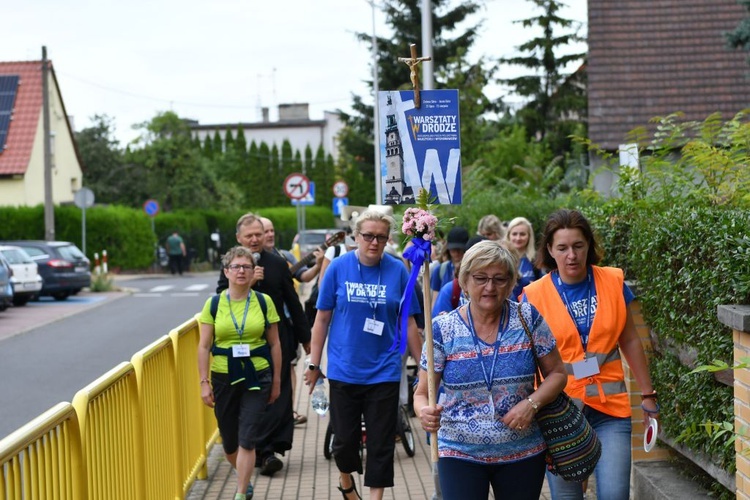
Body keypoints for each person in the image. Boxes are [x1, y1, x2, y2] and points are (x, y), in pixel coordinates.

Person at [522, 208, 659, 500]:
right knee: (568, 497)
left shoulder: (613, 282)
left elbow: (631, 341)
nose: (571, 255)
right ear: (550, 250)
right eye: (562, 248)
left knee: (614, 494)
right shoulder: (533, 296)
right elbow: (526, 358)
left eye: (578, 246)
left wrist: (648, 396)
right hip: (560, 413)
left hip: (611, 411)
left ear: (588, 246)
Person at [414, 240, 568, 500]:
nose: (489, 287)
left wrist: (531, 403)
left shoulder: (528, 318)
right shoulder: (442, 328)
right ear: (465, 280)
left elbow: (558, 374)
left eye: (499, 279)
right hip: (459, 451)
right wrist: (423, 412)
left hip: (522, 451)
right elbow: (421, 393)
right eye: (481, 278)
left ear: (510, 283)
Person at [304, 209, 423, 500]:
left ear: (387, 240)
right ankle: (346, 482)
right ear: (356, 236)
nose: (374, 242)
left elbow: (408, 321)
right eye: (368, 235)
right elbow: (321, 319)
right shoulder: (338, 268)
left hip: (384, 371)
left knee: (381, 444)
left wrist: (423, 367)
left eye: (381, 237)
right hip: (345, 371)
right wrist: (313, 363)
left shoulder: (398, 271)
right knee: (344, 442)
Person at [216, 213, 311, 477]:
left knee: (275, 395)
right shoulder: (232, 264)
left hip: (276, 339)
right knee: (247, 396)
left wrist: (307, 339)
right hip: (241, 343)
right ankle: (253, 449)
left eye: (259, 234)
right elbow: (220, 297)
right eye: (250, 236)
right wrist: (251, 281)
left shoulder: (277, 263)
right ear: (239, 238)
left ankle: (269, 451)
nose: (256, 239)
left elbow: (292, 302)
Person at [198, 246, 282, 500]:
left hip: (258, 375)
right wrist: (204, 382)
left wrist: (277, 380)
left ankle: (240, 493)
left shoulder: (263, 302)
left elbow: (275, 343)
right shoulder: (213, 304)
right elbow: (203, 346)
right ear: (227, 271)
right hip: (223, 376)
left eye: (246, 266)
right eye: (236, 267)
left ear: (252, 270)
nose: (241, 272)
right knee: (230, 442)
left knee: (248, 438)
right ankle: (243, 478)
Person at [259, 216, 323, 426]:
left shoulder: (283, 256)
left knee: (288, 367)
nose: (269, 235)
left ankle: (289, 410)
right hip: (259, 327)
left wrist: (319, 264)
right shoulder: (247, 261)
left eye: (271, 231)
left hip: (285, 325)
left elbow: (304, 278)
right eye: (264, 231)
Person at [505, 216, 543, 298]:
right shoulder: (502, 259)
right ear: (508, 235)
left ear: (529, 236)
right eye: (514, 234)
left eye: (522, 234)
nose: (518, 238)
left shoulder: (536, 260)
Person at [429, 226, 469, 303]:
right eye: (453, 249)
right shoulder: (440, 270)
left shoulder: (472, 270)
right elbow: (435, 301)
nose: (456, 253)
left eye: (460, 249)